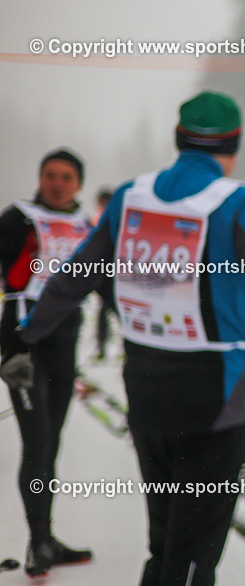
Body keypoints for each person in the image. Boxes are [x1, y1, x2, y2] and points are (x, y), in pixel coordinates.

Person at [15, 92, 245, 586]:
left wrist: (24, 334)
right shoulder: (238, 202)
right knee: (194, 553)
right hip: (215, 399)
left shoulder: (131, 196)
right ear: (233, 145)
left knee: (164, 542)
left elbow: (75, 277)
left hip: (146, 389)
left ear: (179, 138)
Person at [0, 148, 94, 577]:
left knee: (51, 444)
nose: (57, 184)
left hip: (64, 348)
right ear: (40, 178)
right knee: (37, 443)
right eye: (50, 175)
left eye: (66, 177)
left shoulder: (87, 228)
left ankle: (47, 536)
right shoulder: (17, 219)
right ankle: (38, 541)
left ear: (79, 185)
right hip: (23, 348)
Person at [93, 187, 119, 362]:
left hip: (114, 273)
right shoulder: (102, 217)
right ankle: (102, 347)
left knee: (111, 311)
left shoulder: (110, 217)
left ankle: (108, 347)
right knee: (106, 311)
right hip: (106, 273)